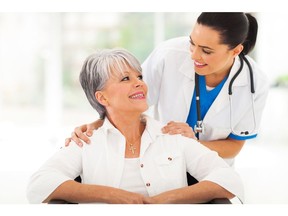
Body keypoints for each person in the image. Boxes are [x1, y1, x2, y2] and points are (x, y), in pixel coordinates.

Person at [26, 48, 243, 204]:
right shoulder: (87, 140)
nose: (139, 82)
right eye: (125, 79)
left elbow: (229, 179)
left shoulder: (171, 134)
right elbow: (39, 184)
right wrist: (112, 195)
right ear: (102, 98)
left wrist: (163, 200)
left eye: (139, 76)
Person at [65, 13, 269, 179]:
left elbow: (234, 147)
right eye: (192, 43)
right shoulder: (169, 55)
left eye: (206, 51)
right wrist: (94, 126)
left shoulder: (254, 84)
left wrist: (191, 144)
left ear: (236, 50)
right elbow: (128, 101)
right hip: (163, 163)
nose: (194, 55)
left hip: (211, 168)